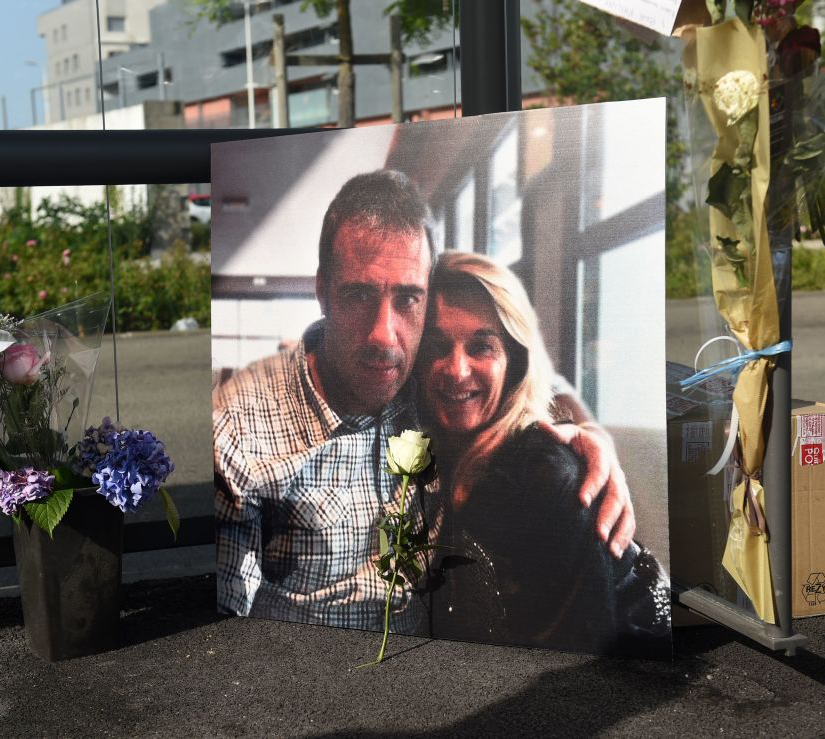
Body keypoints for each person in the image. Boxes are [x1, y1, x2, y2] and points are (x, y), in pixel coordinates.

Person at [213, 169, 636, 633]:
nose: (383, 334)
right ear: (322, 293)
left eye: (409, 299)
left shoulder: (422, 389)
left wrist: (590, 439)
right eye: (357, 295)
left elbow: (532, 378)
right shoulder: (239, 441)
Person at [419, 252, 670, 654]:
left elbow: (578, 675)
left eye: (481, 347)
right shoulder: (430, 450)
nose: (457, 370)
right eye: (436, 346)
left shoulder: (543, 477)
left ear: (513, 362)